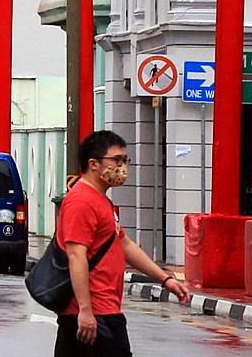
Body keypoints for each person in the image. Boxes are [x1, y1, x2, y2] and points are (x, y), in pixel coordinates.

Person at [56, 130, 189, 356]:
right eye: (116, 160)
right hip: (93, 315)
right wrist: (86, 311)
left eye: (125, 160)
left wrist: (165, 280)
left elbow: (124, 245)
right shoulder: (81, 201)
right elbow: (76, 256)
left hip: (104, 312)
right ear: (93, 164)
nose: (122, 167)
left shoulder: (100, 201)